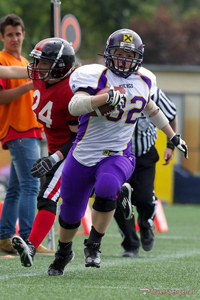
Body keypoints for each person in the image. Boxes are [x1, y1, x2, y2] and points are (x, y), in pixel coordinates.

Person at [45, 28, 188, 276]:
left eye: (129, 55)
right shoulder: (92, 75)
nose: (124, 60)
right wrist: (105, 98)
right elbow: (75, 105)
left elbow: (150, 108)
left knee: (108, 187)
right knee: (70, 212)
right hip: (84, 153)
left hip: (118, 152)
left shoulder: (144, 80)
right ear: (109, 54)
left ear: (139, 58)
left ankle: (94, 244)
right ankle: (63, 252)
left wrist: (172, 135)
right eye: (119, 54)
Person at [11, 37, 79, 267]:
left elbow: (78, 137)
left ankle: (31, 246)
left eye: (43, 62)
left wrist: (55, 157)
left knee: (48, 196)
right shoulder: (41, 78)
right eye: (37, 61)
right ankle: (62, 250)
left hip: (72, 152)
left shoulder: (70, 91)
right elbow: (12, 71)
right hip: (54, 150)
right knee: (60, 199)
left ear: (60, 66)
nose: (36, 67)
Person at [0, 14, 45, 254]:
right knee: (31, 185)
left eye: (18, 34)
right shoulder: (2, 59)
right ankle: (29, 240)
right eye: (10, 34)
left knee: (18, 188)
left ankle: (5, 238)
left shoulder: (25, 61)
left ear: (24, 35)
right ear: (2, 37)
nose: (15, 38)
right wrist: (28, 85)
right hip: (18, 130)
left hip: (30, 130)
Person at [115, 86, 177, 257]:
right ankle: (130, 244)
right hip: (117, 155)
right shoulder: (109, 87)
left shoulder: (153, 91)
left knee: (143, 197)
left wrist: (170, 145)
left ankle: (145, 224)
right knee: (118, 199)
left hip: (144, 155)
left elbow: (171, 115)